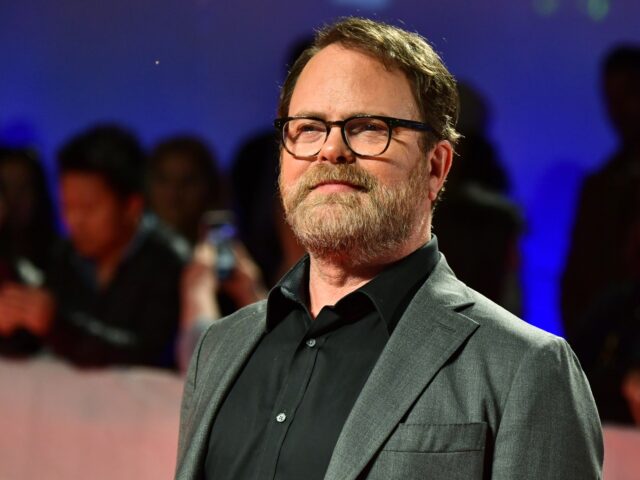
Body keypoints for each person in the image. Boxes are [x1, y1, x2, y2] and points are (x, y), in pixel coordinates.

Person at [176, 18, 602, 479]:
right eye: (308, 128)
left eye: (367, 128)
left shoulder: (525, 368)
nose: (331, 150)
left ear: (435, 167)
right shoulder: (219, 350)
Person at [0, 125, 186, 369]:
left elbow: (148, 354)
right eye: (67, 206)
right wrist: (13, 325)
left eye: (88, 208)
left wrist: (56, 323)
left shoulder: (170, 262)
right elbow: (37, 346)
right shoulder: (65, 256)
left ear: (131, 206)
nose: (74, 220)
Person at [146, 136, 225, 246]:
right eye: (163, 180)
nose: (173, 194)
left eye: (188, 182)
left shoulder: (225, 252)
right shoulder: (129, 254)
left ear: (210, 188)